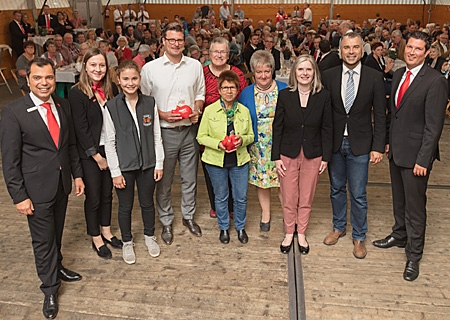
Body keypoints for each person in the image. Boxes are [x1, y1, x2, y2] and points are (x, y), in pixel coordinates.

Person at [1, 57, 84, 319]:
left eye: (48, 77)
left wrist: (77, 175)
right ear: (28, 80)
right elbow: (9, 160)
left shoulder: (62, 104)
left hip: (61, 185)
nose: (44, 83)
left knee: (55, 233)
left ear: (54, 77)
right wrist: (19, 196)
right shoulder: (13, 112)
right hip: (34, 190)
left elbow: (69, 145)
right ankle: (49, 288)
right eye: (37, 78)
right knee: (42, 240)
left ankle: (56, 267)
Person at [373, 31, 448, 281]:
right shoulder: (398, 75)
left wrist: (422, 160)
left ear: (427, 53)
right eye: (410, 48)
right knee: (399, 200)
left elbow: (433, 126)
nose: (412, 52)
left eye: (418, 49)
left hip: (416, 157)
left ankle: (414, 255)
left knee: (415, 208)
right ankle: (399, 234)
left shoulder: (435, 81)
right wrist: (386, 143)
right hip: (396, 151)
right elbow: (393, 114)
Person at [321, 32, 386, 259]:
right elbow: (323, 113)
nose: (350, 52)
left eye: (355, 47)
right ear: (340, 50)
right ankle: (339, 227)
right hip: (335, 144)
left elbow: (380, 114)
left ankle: (359, 236)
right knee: (336, 188)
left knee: (358, 193)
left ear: (362, 50)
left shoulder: (374, 77)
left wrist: (378, 146)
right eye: (346, 47)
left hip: (361, 145)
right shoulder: (328, 76)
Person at [140, 23, 205, 245]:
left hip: (189, 131)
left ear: (184, 42)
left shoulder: (195, 65)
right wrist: (163, 115)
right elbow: (143, 103)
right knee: (165, 181)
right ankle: (166, 220)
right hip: (164, 133)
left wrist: (196, 110)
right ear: (164, 42)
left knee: (190, 179)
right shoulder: (151, 69)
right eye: (172, 40)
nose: (176, 44)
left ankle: (188, 216)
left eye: (180, 40)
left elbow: (200, 93)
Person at [104, 60, 164, 264]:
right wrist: (115, 171)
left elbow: (156, 135)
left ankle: (149, 236)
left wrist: (159, 163)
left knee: (147, 203)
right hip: (124, 167)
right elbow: (110, 142)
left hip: (147, 164)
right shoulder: (111, 107)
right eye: (126, 79)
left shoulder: (150, 103)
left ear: (140, 79)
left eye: (134, 78)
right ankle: (127, 241)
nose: (130, 83)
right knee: (125, 206)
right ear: (118, 81)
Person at [272, 54, 332, 254]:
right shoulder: (285, 95)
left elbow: (327, 128)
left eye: (308, 69)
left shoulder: (323, 96)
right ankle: (289, 232)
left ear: (314, 72)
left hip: (313, 154)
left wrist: (325, 157)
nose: (304, 73)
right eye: (300, 69)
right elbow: (277, 127)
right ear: (294, 72)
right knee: (289, 196)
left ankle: (302, 233)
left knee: (306, 197)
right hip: (287, 153)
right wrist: (276, 156)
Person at [68, 48, 121, 260]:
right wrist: (96, 157)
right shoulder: (77, 93)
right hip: (90, 152)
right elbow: (80, 128)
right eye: (93, 65)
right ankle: (95, 236)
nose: (97, 69)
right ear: (85, 67)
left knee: (108, 193)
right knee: (94, 197)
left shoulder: (111, 88)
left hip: (110, 148)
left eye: (101, 65)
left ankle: (106, 230)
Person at [197, 70, 254, 244]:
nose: (229, 91)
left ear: (237, 90)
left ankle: (240, 227)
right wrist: (218, 144)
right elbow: (201, 136)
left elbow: (251, 135)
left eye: (232, 87)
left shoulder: (244, 111)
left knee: (240, 196)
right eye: (225, 87)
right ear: (219, 90)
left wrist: (242, 140)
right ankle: (223, 227)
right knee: (221, 196)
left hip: (239, 160)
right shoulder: (209, 110)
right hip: (216, 161)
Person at [238, 50, 287, 231]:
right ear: (253, 72)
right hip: (259, 146)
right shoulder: (245, 93)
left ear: (272, 70)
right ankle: (266, 213)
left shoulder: (284, 89)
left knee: (284, 181)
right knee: (262, 181)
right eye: (259, 72)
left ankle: (287, 214)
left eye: (267, 71)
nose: (263, 75)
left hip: (282, 144)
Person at [202, 37, 247, 218]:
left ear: (228, 55)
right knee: (212, 170)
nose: (219, 55)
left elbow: (242, 100)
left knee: (234, 170)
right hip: (209, 130)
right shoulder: (202, 73)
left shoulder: (237, 73)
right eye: (215, 52)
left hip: (234, 129)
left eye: (223, 52)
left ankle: (232, 208)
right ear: (209, 54)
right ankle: (216, 205)